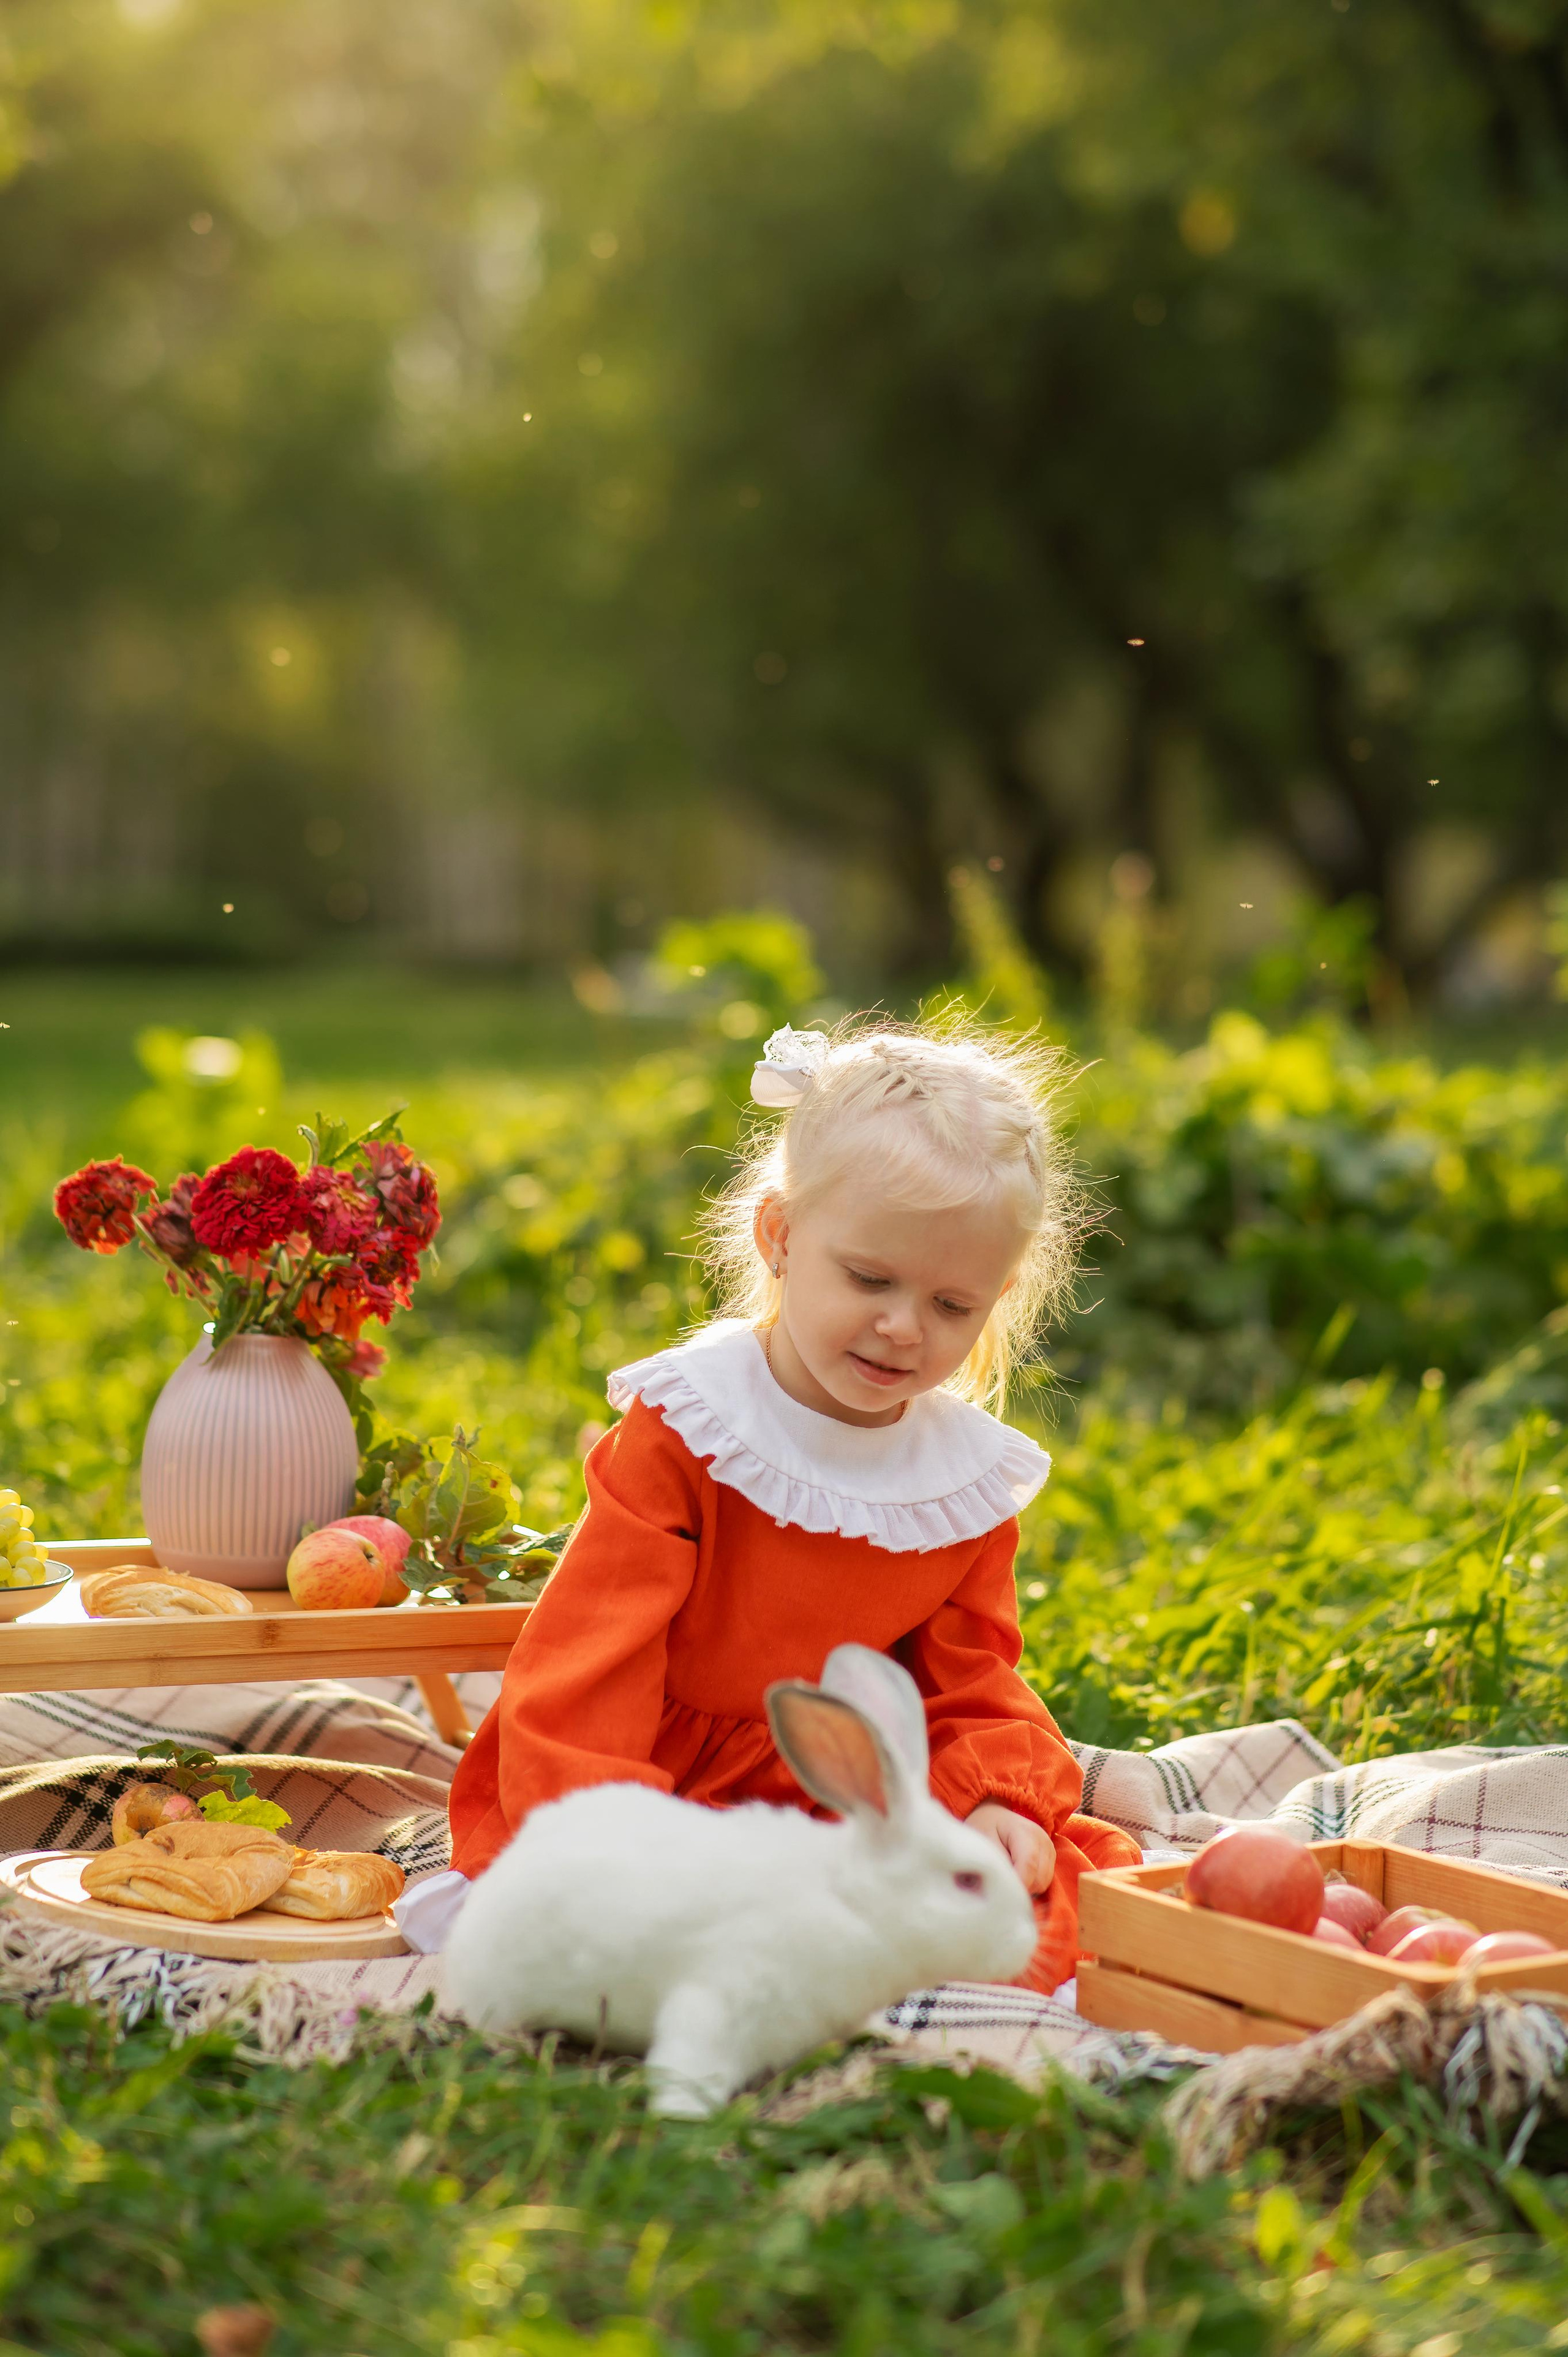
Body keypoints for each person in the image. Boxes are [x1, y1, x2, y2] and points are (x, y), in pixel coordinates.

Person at [405, 1018, 1141, 1989]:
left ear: (995, 1298)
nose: (901, 1327)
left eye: (951, 1306)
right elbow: (593, 1654)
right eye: (870, 1278)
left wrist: (996, 1800)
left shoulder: (956, 1481)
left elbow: (969, 1675)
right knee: (655, 1939)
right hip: (661, 1783)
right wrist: (602, 1846)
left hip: (845, 1788)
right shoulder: (695, 1429)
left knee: (1052, 1917)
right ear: (781, 1235)